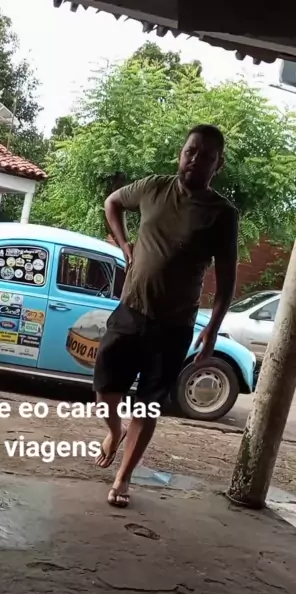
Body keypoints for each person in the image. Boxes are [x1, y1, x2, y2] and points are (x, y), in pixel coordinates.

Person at [93, 124, 239, 507]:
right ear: (181, 153)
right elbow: (112, 202)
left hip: (174, 325)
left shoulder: (222, 214)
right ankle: (114, 431)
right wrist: (124, 244)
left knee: (148, 404)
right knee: (105, 389)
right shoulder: (153, 188)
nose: (195, 160)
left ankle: (123, 478)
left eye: (206, 156)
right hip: (130, 309)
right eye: (191, 151)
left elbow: (227, 283)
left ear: (218, 164)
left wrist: (212, 329)